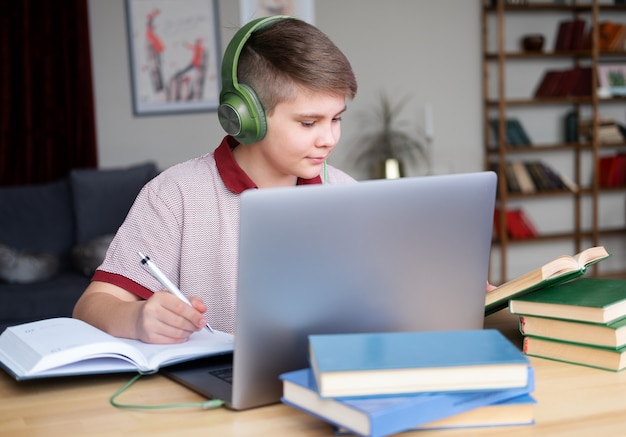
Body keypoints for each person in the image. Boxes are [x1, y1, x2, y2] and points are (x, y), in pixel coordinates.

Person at [72, 16, 358, 344]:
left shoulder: (347, 194)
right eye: (309, 123)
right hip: (216, 383)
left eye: (336, 118)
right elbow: (90, 307)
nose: (329, 138)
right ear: (247, 117)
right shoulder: (173, 195)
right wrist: (136, 318)